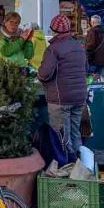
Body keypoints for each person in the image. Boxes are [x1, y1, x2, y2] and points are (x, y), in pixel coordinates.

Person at [38, 14, 88, 160]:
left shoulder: (53, 49)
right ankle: (81, 165)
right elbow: (86, 68)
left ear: (54, 30)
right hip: (79, 97)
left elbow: (45, 74)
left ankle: (66, 166)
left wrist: (39, 76)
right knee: (75, 133)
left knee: (61, 136)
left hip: (60, 98)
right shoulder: (79, 46)